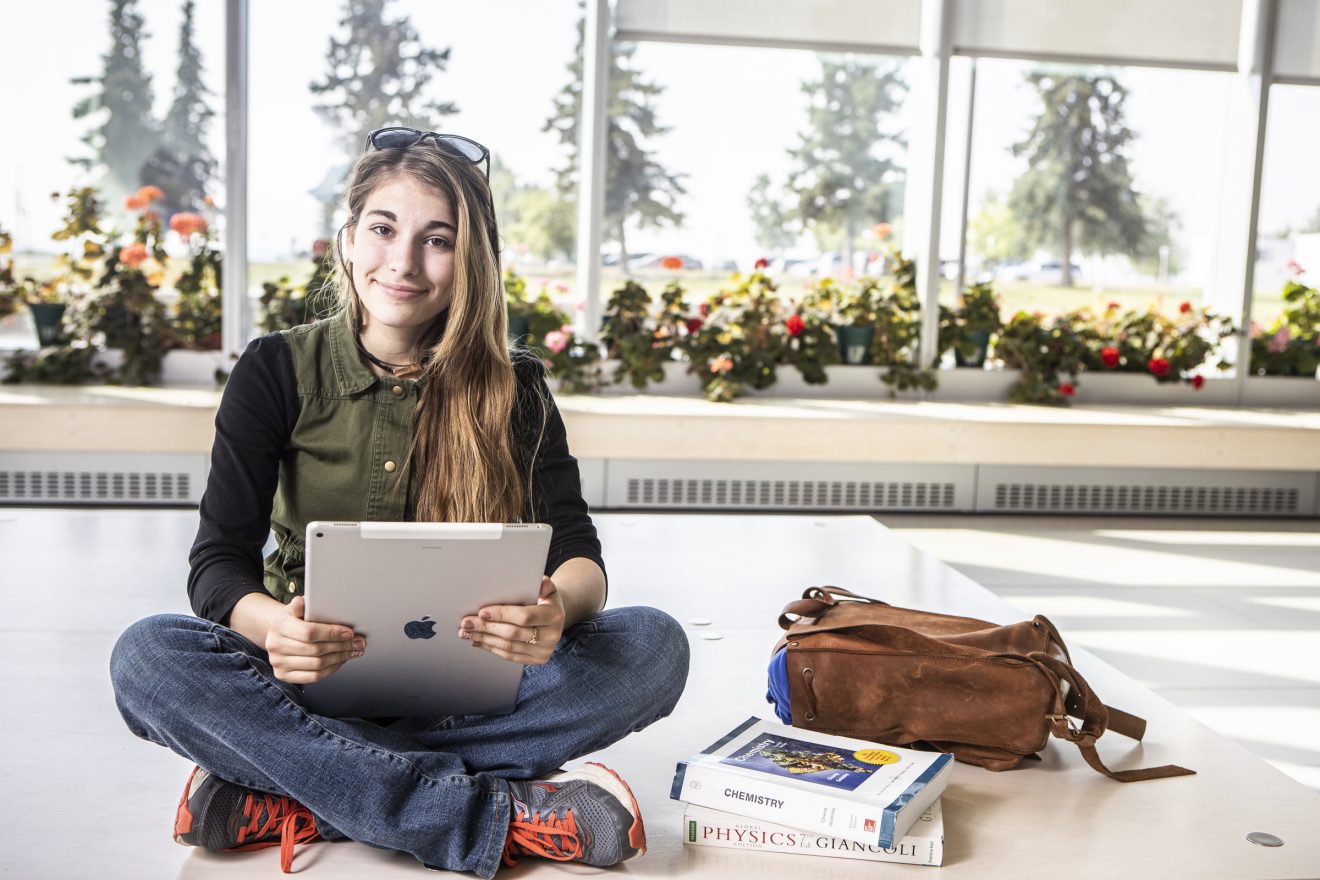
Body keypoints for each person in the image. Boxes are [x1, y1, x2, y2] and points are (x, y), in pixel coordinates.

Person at [109, 127, 690, 877]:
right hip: (304, 684)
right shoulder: (274, 370)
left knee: (654, 647)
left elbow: (578, 554)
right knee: (148, 659)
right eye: (383, 229)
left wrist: (556, 612)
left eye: (437, 240)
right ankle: (490, 815)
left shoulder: (515, 390)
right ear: (349, 239)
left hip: (476, 686)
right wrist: (271, 627)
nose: (404, 262)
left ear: (470, 260)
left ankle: (305, 789)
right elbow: (218, 565)